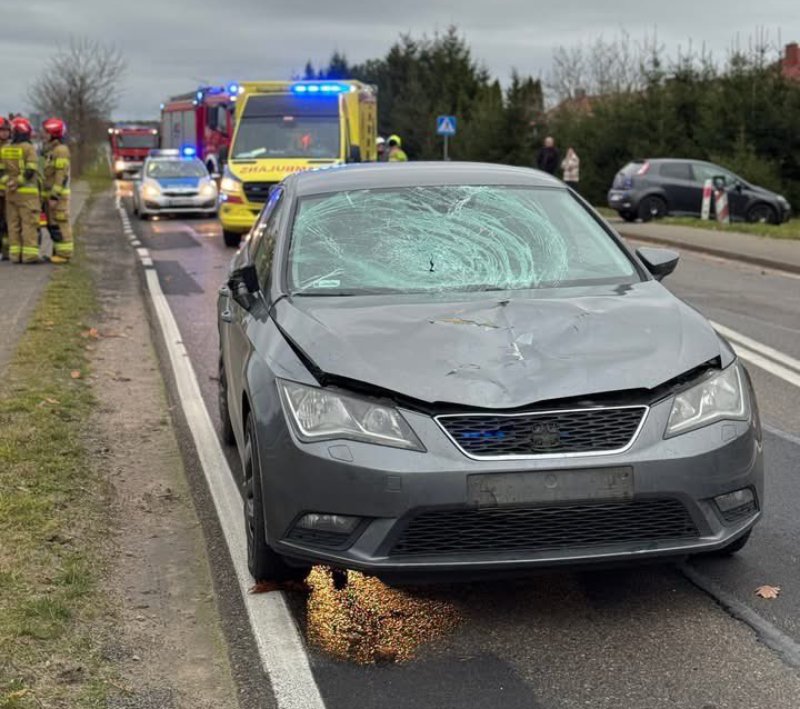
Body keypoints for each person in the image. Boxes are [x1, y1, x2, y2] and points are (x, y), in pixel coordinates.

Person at [1, 117, 41, 264]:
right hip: (28, 194)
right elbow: (31, 169)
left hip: (10, 194)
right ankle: (29, 256)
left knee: (13, 225)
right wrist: (18, 182)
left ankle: (15, 256)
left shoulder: (6, 148)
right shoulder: (28, 148)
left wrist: (9, 183)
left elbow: (1, 171)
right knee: (29, 224)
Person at [42, 117, 72, 263]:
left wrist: (54, 196)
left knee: (61, 223)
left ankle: (64, 254)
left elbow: (61, 175)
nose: (44, 135)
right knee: (53, 225)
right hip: (52, 195)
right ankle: (58, 252)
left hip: (58, 197)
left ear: (54, 133)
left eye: (46, 132)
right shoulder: (53, 150)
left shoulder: (61, 150)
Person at [0, 116, 10, 261]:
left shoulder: (12, 147)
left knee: (8, 222)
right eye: (2, 131)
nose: (4, 133)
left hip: (9, 191)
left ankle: (7, 252)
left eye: (6, 130)